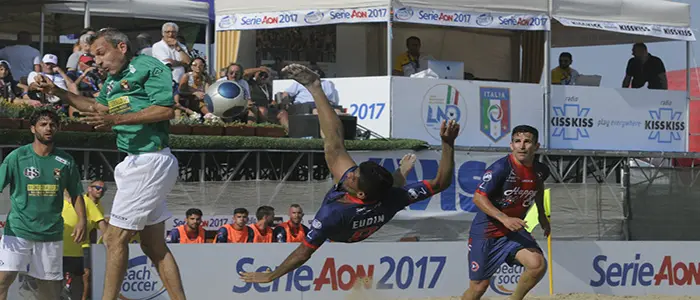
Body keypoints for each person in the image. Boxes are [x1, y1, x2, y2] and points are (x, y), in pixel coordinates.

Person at [239, 64, 458, 283]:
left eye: (354, 177)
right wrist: (448, 144)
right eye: (355, 171)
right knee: (334, 146)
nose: (350, 174)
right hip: (380, 200)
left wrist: (271, 275)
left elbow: (303, 253)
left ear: (360, 194)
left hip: (345, 232)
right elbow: (441, 183)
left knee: (344, 157)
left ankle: (399, 174)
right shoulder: (392, 195)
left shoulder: (331, 215)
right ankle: (315, 86)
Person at [32, 28, 186, 300]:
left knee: (114, 239)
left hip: (150, 160)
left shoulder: (147, 65)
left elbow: (165, 110)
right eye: (93, 57)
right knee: (154, 246)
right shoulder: (113, 82)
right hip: (136, 162)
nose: (98, 62)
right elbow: (95, 107)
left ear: (122, 48)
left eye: (101, 54)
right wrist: (56, 90)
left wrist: (116, 120)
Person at [0, 109, 87, 300]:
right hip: (18, 232)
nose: (48, 128)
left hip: (50, 234)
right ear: (33, 129)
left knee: (50, 291)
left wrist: (82, 220)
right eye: (43, 124)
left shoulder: (65, 161)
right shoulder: (17, 157)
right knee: (3, 280)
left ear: (58, 128)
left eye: (53, 124)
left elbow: (76, 194)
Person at [461, 125, 551, 300]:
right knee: (479, 287)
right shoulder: (501, 168)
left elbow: (538, 187)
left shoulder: (541, 170)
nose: (522, 146)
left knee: (537, 265)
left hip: (512, 232)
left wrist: (541, 214)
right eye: (517, 141)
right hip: (487, 232)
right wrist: (504, 218)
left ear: (536, 146)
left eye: (527, 142)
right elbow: (478, 198)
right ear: (511, 145)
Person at [62, 188, 107, 300]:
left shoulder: (86, 202)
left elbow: (101, 223)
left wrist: (111, 242)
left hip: (78, 251)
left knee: (82, 280)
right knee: (54, 284)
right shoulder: (54, 200)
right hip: (55, 250)